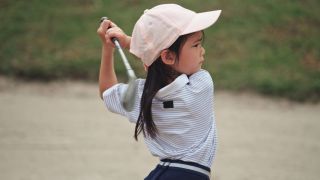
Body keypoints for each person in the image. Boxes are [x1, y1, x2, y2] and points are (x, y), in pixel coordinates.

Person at [97, 4, 221, 180]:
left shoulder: (143, 96)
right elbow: (158, 60)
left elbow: (107, 91)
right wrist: (128, 42)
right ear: (168, 56)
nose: (202, 50)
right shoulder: (201, 85)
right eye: (196, 45)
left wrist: (108, 48)